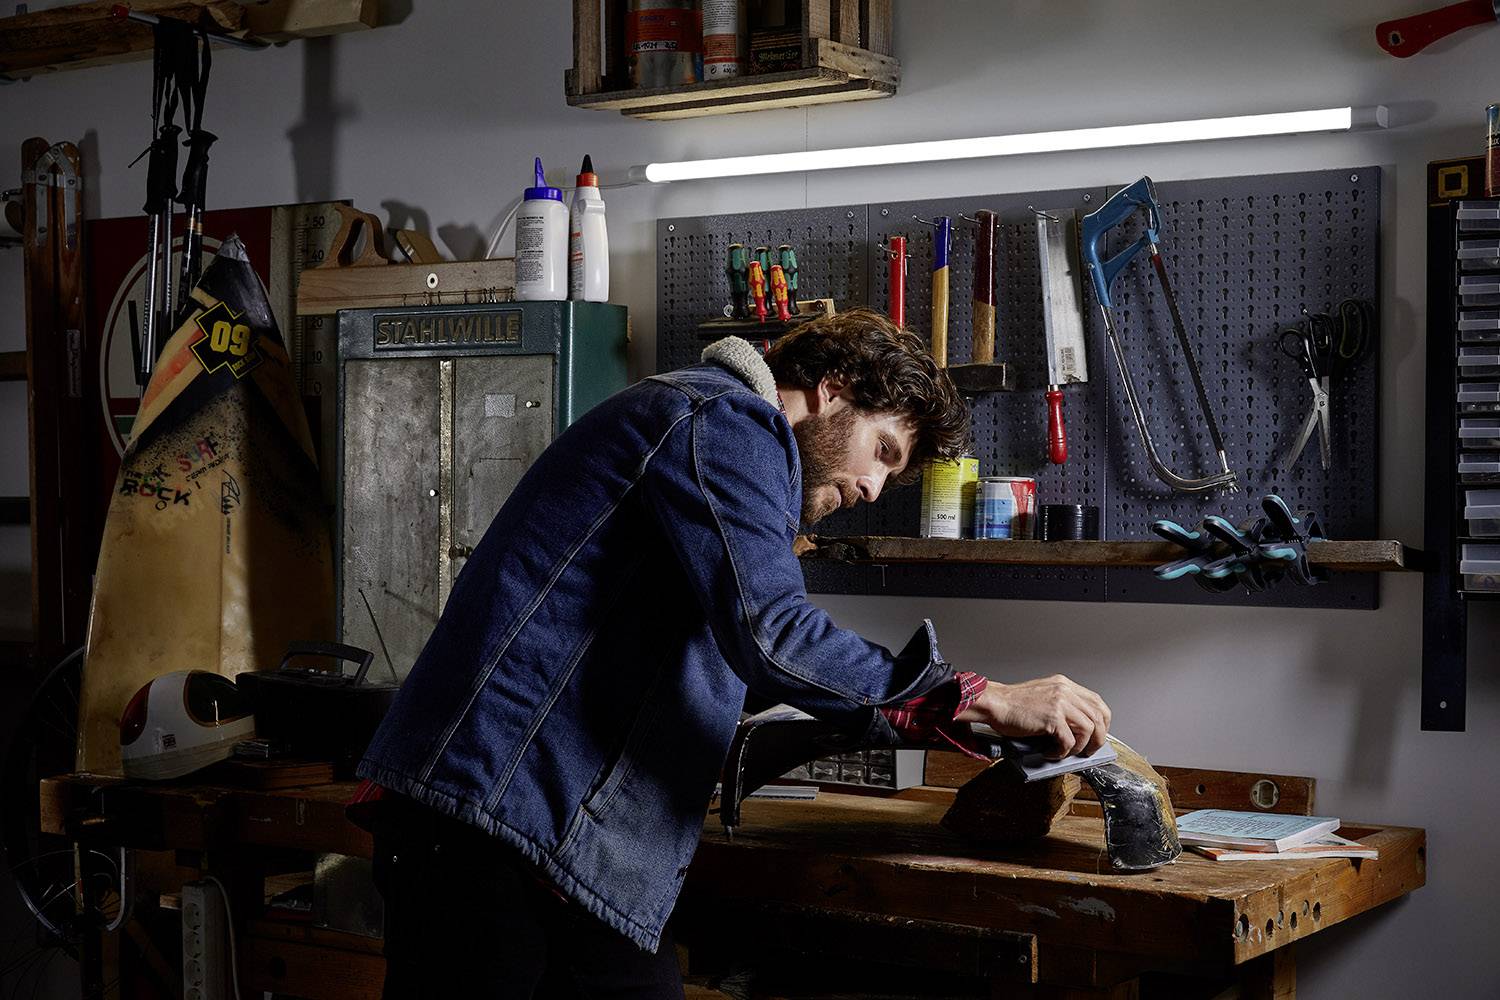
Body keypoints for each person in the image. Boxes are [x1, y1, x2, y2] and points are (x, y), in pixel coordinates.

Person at [352, 308, 1112, 998]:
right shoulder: (724, 418)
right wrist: (977, 696)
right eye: (882, 449)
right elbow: (771, 634)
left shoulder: (710, 431)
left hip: (546, 833)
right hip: (492, 822)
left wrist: (922, 720)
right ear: (831, 388)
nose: (878, 488)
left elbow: (724, 663)